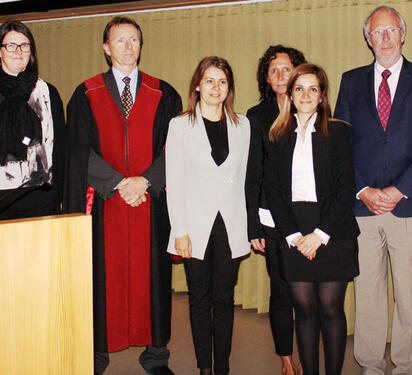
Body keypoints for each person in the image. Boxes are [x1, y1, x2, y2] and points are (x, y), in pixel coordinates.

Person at [64, 16, 182, 375]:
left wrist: (145, 181)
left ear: (141, 46)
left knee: (154, 278)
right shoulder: (86, 93)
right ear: (106, 48)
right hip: (104, 202)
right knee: (102, 276)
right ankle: (97, 353)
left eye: (134, 40)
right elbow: (77, 150)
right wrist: (118, 182)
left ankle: (156, 355)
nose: (128, 46)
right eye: (120, 40)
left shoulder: (164, 93)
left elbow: (176, 148)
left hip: (150, 202)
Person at [334, 5, 412, 375]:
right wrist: (363, 189)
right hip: (362, 207)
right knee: (367, 292)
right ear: (367, 38)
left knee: (409, 294)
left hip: (408, 205)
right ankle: (371, 363)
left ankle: (406, 364)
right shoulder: (350, 81)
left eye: (390, 31)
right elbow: (340, 143)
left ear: (403, 34)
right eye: (376, 32)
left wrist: (398, 190)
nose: (383, 39)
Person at [266, 63, 359, 375]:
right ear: (290, 95)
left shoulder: (340, 132)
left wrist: (320, 234)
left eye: (313, 89)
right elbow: (273, 192)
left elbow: (347, 189)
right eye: (299, 88)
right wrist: (293, 236)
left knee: (331, 310)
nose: (306, 95)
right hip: (292, 231)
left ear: (322, 96)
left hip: (333, 231)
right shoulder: (277, 136)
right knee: (304, 311)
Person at [165, 56, 250, 375]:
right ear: (198, 85)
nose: (216, 87)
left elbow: (244, 180)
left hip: (230, 226)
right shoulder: (179, 125)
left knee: (225, 299)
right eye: (210, 80)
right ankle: (204, 367)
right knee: (200, 299)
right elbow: (174, 181)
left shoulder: (243, 126)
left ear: (229, 89)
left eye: (223, 81)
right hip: (194, 226)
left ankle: (222, 367)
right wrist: (179, 231)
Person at [245, 44, 306, 375]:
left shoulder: (312, 108)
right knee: (281, 287)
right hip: (270, 217)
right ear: (266, 78)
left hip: (308, 217)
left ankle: (308, 353)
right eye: (274, 70)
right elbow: (252, 173)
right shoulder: (256, 117)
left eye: (287, 68)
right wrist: (254, 225)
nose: (281, 75)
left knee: (308, 291)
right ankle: (285, 356)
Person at [0, 20, 64, 219]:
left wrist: (61, 196)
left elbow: (61, 149)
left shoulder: (47, 92)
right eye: (11, 45)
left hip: (41, 197)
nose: (19, 51)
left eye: (25, 45)